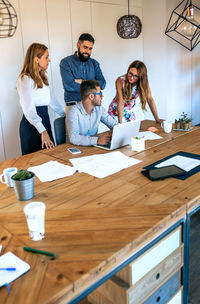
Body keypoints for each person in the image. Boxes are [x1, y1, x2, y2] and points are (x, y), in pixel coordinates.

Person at [17, 43, 65, 155]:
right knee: (34, 162)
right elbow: (29, 110)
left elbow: (53, 103)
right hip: (32, 126)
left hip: (45, 122)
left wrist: (67, 116)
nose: (49, 60)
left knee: (50, 158)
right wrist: (43, 131)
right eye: (46, 57)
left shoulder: (43, 79)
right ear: (36, 59)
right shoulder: (25, 79)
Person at [60, 33, 106, 106]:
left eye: (90, 49)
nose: (87, 51)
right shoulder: (66, 62)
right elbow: (69, 86)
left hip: (93, 106)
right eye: (85, 47)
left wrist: (82, 81)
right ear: (78, 45)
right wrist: (94, 86)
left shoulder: (94, 63)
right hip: (74, 105)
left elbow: (103, 84)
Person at [66, 80, 117, 146]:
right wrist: (97, 140)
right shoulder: (73, 112)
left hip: (93, 147)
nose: (102, 96)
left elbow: (114, 124)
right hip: (75, 149)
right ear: (91, 96)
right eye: (100, 94)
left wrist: (116, 132)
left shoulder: (99, 109)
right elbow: (74, 138)